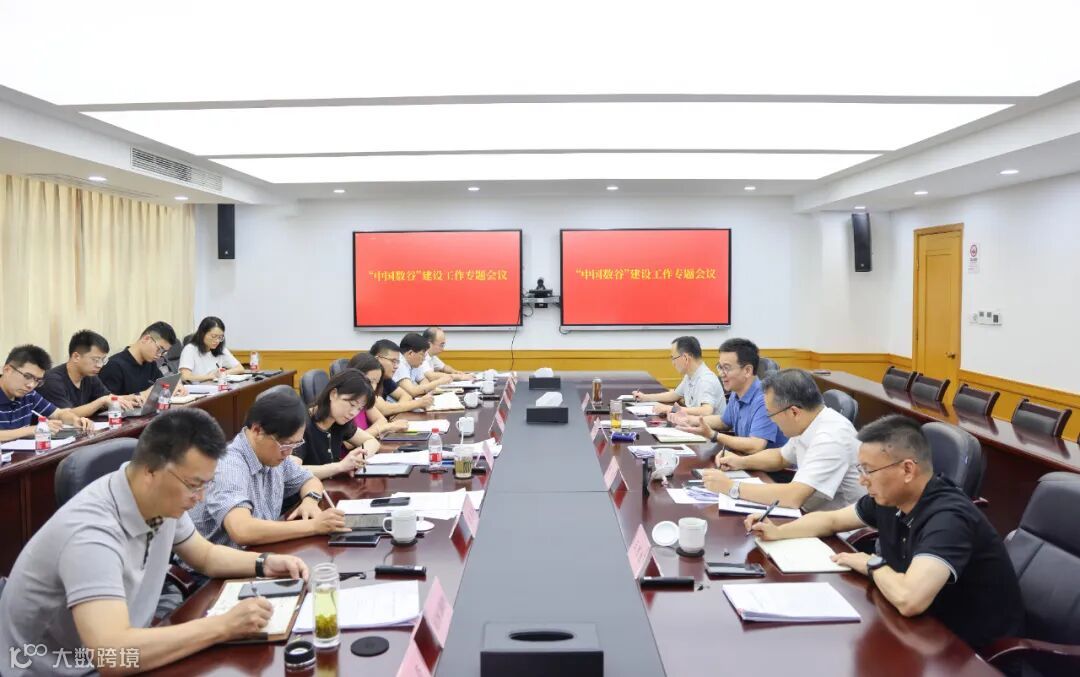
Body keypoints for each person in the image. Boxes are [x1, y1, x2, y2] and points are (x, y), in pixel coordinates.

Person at [0, 408, 309, 675]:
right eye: (194, 485)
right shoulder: (91, 533)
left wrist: (265, 563)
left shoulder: (159, 499)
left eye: (206, 484)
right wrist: (223, 626)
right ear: (150, 471)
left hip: (126, 646)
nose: (200, 497)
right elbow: (113, 655)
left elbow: (205, 556)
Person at [748, 414, 1024, 649]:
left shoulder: (949, 518)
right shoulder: (891, 497)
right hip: (920, 632)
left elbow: (909, 599)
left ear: (907, 469)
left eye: (868, 470)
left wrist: (873, 564)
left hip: (970, 652)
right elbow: (831, 520)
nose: (862, 480)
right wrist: (778, 531)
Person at [189, 387, 349, 549]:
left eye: (295, 444)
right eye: (286, 444)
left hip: (260, 551)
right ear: (257, 430)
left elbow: (309, 479)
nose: (289, 452)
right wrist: (314, 526)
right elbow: (242, 530)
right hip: (223, 562)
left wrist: (311, 500)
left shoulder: (275, 454)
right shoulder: (229, 466)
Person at [702, 368, 865, 511]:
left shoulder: (831, 437)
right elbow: (781, 457)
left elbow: (793, 497)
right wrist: (740, 462)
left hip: (842, 532)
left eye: (771, 414)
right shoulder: (809, 421)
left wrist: (731, 487)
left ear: (794, 412)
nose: (771, 420)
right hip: (812, 515)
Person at [674, 338, 786, 454]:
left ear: (747, 371)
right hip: (745, 458)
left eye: (726, 368)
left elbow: (756, 445)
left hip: (768, 465)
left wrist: (714, 435)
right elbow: (724, 422)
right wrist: (690, 420)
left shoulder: (765, 399)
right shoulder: (736, 391)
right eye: (720, 367)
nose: (721, 374)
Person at [292, 370, 383, 480]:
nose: (353, 413)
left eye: (359, 409)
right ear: (333, 394)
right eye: (352, 404)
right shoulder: (300, 425)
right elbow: (293, 472)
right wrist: (340, 467)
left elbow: (372, 441)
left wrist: (355, 461)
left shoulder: (339, 421)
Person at [0, 345, 93, 442]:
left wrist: (75, 420)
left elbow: (58, 414)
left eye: (37, 380)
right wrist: (31, 430)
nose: (31, 385)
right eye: (27, 376)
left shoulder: (29, 395)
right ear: (7, 370)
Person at [37, 330, 142, 418]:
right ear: (76, 357)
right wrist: (101, 401)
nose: (100, 365)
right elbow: (65, 416)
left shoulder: (90, 376)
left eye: (103, 360)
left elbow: (108, 397)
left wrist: (129, 398)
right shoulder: (52, 380)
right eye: (96, 360)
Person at [632, 336, 724, 417]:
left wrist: (671, 409)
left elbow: (706, 411)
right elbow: (674, 395)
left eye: (673, 358)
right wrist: (645, 397)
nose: (673, 363)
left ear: (685, 358)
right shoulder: (690, 375)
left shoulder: (705, 380)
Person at [99, 321, 188, 397]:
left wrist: (173, 387)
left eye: (164, 352)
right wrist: (144, 394)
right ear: (146, 339)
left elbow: (162, 385)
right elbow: (107, 402)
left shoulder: (151, 363)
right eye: (159, 349)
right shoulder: (114, 366)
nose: (160, 355)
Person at [346, 353, 410, 437]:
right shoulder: (344, 402)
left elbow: (382, 420)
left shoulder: (365, 399)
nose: (373, 387)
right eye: (370, 381)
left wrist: (383, 427)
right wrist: (387, 427)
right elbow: (350, 440)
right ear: (355, 376)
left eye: (376, 382)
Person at [369, 339, 432, 415]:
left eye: (397, 362)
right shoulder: (367, 378)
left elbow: (406, 396)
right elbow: (383, 409)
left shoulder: (385, 378)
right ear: (377, 359)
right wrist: (418, 403)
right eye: (393, 361)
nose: (396, 366)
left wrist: (395, 409)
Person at [179, 316, 245, 383]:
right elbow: (185, 376)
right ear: (202, 334)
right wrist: (211, 376)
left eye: (220, 337)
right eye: (213, 336)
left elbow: (240, 368)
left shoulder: (220, 349)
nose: (217, 341)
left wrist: (222, 373)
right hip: (197, 388)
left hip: (215, 386)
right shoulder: (190, 349)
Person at [393, 332, 451, 398]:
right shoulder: (399, 364)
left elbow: (424, 380)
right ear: (410, 353)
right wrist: (439, 382)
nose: (424, 359)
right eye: (422, 354)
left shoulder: (414, 363)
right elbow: (412, 391)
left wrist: (421, 390)